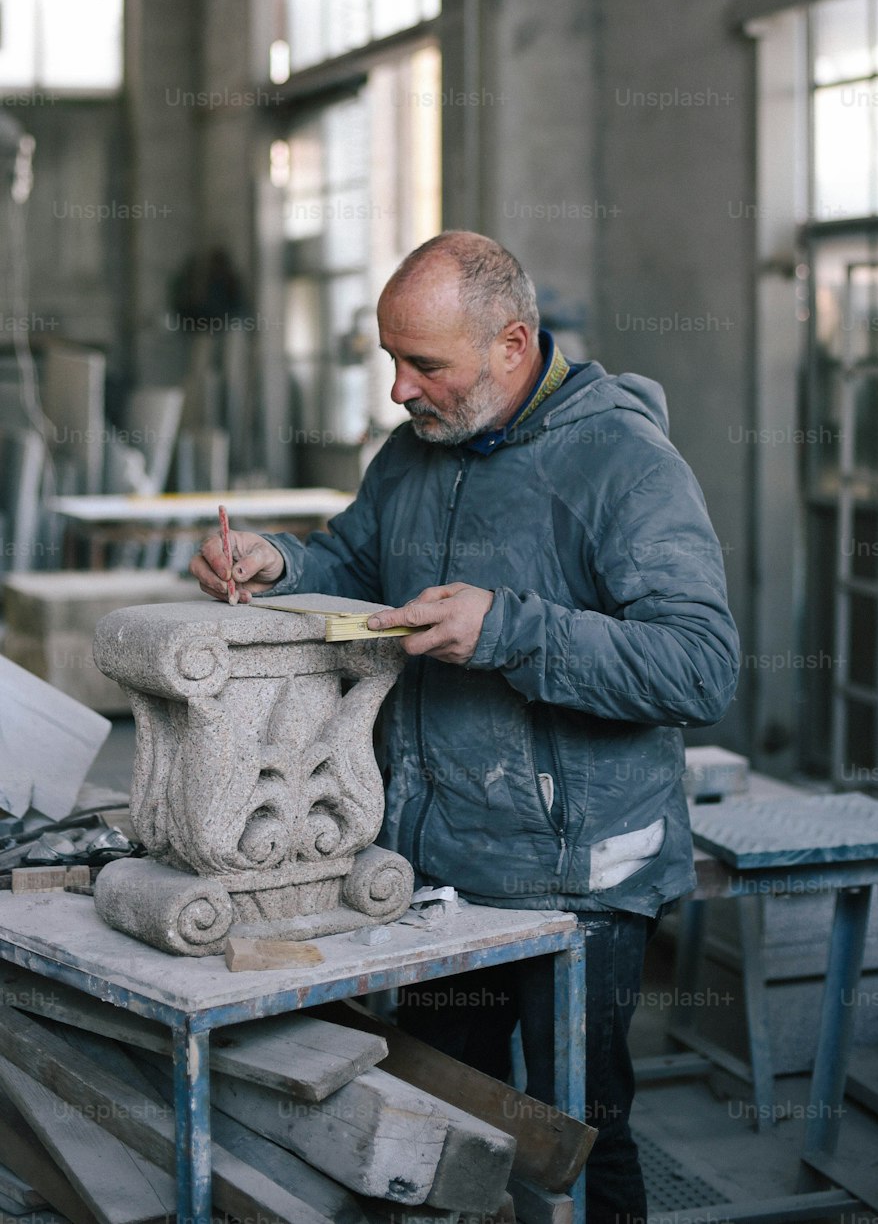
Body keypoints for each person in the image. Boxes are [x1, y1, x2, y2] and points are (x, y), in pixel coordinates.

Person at [192, 231, 740, 1224]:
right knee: (446, 1118)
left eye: (424, 365)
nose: (398, 390)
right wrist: (280, 561)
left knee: (574, 1129)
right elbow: (360, 565)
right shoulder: (417, 451)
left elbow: (699, 666)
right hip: (438, 862)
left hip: (581, 876)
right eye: (390, 360)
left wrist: (510, 630)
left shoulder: (623, 464)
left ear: (512, 343)